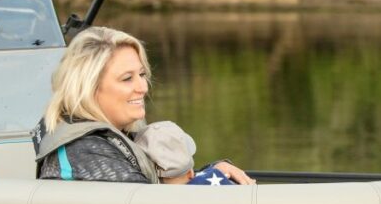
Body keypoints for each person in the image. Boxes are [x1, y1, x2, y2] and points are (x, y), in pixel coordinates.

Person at [33, 26, 253, 184]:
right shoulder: (84, 151)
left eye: (141, 74)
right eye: (127, 78)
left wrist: (212, 172)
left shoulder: (116, 135)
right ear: (88, 88)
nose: (143, 87)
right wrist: (208, 181)